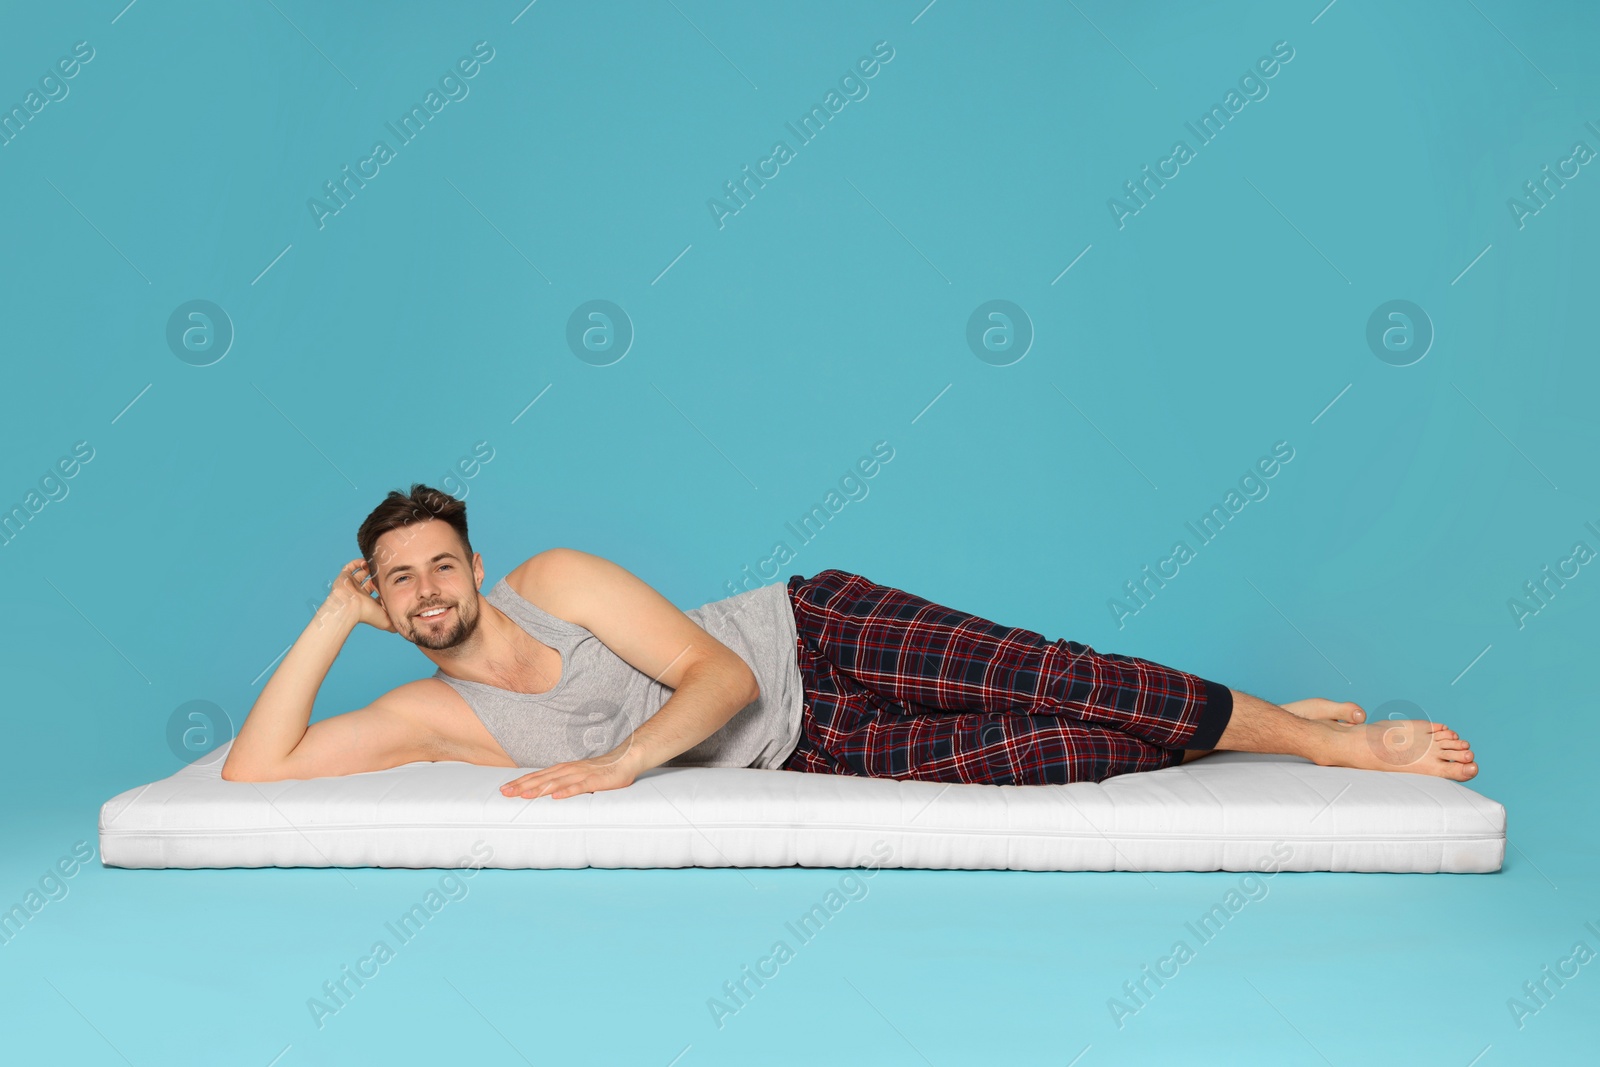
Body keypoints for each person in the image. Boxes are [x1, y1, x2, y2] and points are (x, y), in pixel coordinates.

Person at [221, 484, 1478, 797]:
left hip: (809, 637)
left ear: (478, 566)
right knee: (1052, 751)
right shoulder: (434, 715)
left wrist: (615, 767)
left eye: (444, 561)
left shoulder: (555, 579)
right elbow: (255, 771)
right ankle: (1253, 727)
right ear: (391, 604)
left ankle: (1332, 746)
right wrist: (332, 613)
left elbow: (714, 677)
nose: (431, 586)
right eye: (402, 582)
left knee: (1054, 674)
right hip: (806, 746)